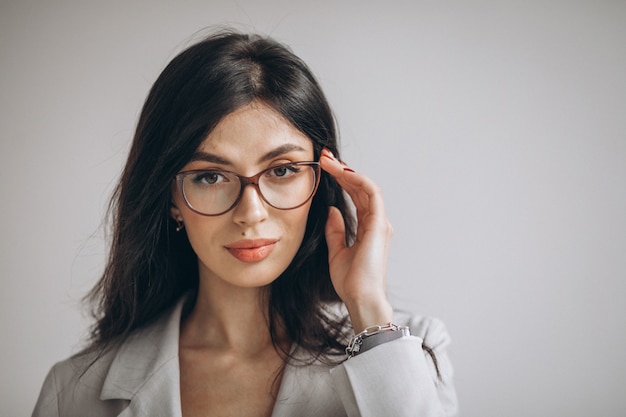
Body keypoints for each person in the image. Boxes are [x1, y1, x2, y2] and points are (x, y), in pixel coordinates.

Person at [32, 30, 458, 417]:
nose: (251, 213)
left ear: (323, 177)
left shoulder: (410, 355)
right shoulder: (72, 393)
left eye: (282, 170)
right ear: (171, 200)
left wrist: (367, 305)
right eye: (211, 177)